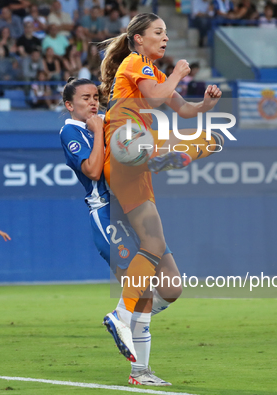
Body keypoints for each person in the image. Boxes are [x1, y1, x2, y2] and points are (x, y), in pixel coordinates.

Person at [98, 12, 224, 385]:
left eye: (166, 32)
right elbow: (154, 98)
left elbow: (182, 108)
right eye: (158, 32)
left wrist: (205, 106)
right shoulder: (135, 62)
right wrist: (180, 72)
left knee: (169, 285)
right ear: (138, 39)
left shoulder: (152, 72)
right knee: (151, 241)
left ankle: (140, 365)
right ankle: (122, 314)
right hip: (125, 146)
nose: (165, 37)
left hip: (140, 165)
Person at [60, 78, 185, 386]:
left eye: (96, 96)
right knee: (140, 293)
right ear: (69, 105)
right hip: (108, 213)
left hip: (134, 209)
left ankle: (124, 319)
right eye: (85, 98)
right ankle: (140, 371)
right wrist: (99, 130)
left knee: (171, 287)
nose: (93, 102)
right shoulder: (71, 131)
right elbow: (91, 170)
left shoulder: (109, 122)